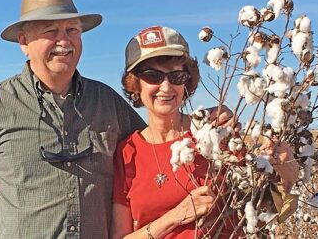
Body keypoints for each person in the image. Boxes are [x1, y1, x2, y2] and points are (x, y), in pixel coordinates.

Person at [0, 0, 147, 238]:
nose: (64, 41)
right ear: (24, 41)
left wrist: (205, 122)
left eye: (72, 30)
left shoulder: (107, 102)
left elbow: (156, 145)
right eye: (51, 31)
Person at [111, 26, 299, 238]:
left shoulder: (216, 135)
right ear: (135, 84)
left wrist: (287, 179)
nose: (165, 87)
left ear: (187, 82)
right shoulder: (127, 153)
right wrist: (177, 215)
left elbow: (264, 216)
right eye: (152, 76)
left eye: (176, 76)